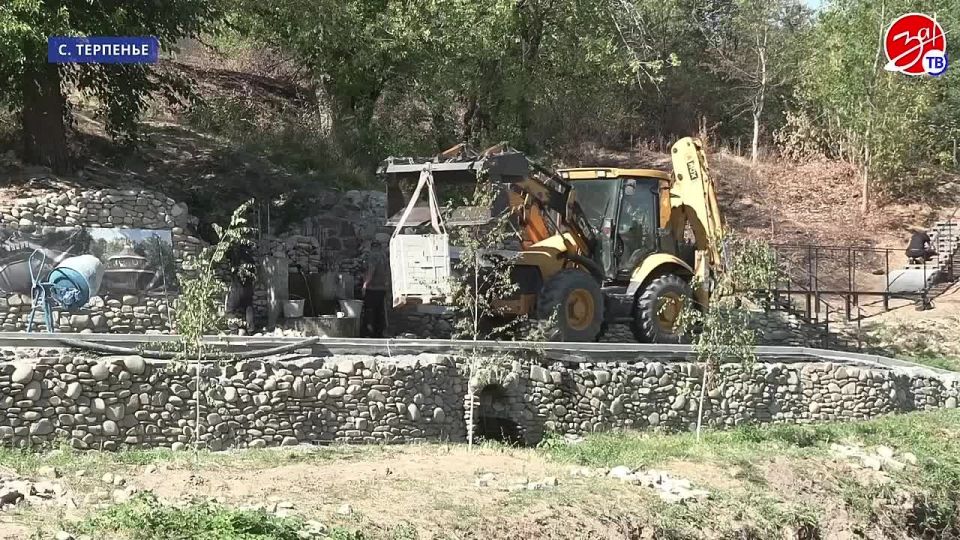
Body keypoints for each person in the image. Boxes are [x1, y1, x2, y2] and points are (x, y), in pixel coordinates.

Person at [360, 240, 388, 338]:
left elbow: (371, 270)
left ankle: (369, 332)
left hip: (372, 288)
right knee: (379, 312)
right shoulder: (384, 257)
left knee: (370, 311)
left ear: (372, 247)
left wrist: (365, 284)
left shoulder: (373, 256)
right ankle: (379, 333)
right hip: (382, 288)